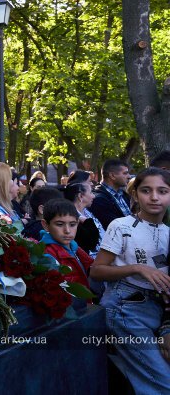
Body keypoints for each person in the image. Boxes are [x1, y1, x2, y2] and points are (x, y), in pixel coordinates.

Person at [90, 167, 170, 393]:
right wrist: (137, 268)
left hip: (155, 310)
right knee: (163, 383)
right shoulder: (121, 226)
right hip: (124, 309)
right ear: (135, 194)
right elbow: (97, 271)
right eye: (146, 190)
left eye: (162, 191)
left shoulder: (167, 232)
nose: (154, 197)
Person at [40, 199, 93, 292]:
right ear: (45, 225)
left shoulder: (74, 246)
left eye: (72, 224)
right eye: (60, 224)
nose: (67, 230)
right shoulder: (46, 254)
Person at [63, 182, 105, 258]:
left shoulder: (87, 212)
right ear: (80, 196)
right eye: (91, 192)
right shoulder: (71, 218)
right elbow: (90, 243)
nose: (94, 196)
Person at [90, 159, 131, 230]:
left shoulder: (123, 195)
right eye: (125, 173)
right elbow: (115, 228)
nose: (129, 176)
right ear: (112, 175)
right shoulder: (98, 199)